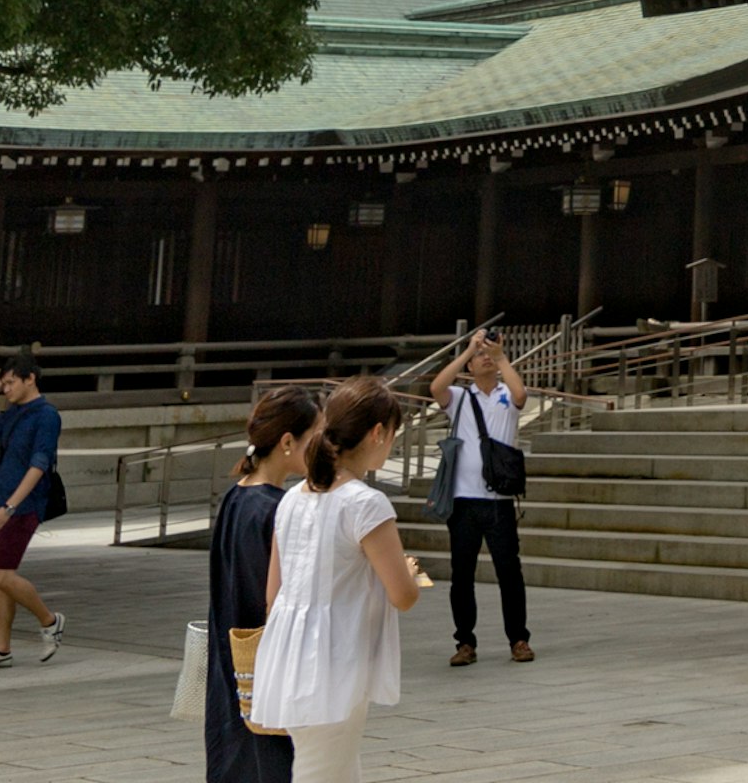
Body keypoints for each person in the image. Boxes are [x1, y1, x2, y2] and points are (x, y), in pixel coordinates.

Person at [249, 377, 426, 783]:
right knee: (324, 770)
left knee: (330, 767)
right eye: (392, 434)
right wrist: (410, 575)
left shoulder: (292, 498)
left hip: (290, 654)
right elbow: (403, 595)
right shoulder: (365, 503)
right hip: (336, 658)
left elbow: (273, 594)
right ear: (378, 432)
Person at [209, 381, 319, 783]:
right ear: (288, 442)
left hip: (232, 661)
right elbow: (275, 598)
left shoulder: (238, 497)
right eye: (315, 437)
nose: (320, 447)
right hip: (266, 665)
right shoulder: (274, 508)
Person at [427, 328, 531, 667]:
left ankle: (518, 638)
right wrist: (466, 349)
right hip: (464, 500)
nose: (485, 357)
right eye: (479, 356)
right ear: (469, 367)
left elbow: (521, 394)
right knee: (462, 573)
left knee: (509, 572)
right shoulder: (459, 397)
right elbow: (435, 388)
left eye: (489, 353)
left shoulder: (505, 392)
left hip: (498, 500)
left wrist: (500, 356)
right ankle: (465, 642)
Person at [0, 353, 66, 671]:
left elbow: (40, 463)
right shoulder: (13, 414)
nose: (5, 389)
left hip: (22, 505)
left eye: (9, 382)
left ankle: (50, 620)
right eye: (2, 383)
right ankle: (2, 650)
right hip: (2, 502)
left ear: (29, 378)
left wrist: (11, 506)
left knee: (1, 575)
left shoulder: (46, 415)